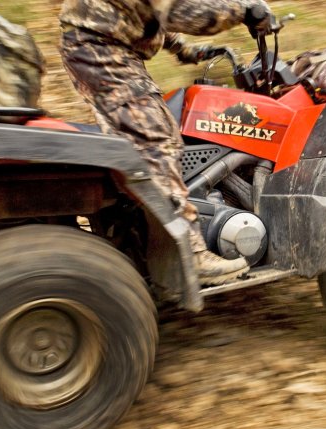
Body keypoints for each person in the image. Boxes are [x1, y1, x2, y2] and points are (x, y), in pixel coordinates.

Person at [59, 0, 272, 285]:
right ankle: (190, 254)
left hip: (102, 45)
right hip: (101, 48)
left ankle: (144, 238)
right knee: (156, 141)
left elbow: (152, 12)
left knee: (157, 133)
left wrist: (187, 50)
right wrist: (245, 11)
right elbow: (182, 11)